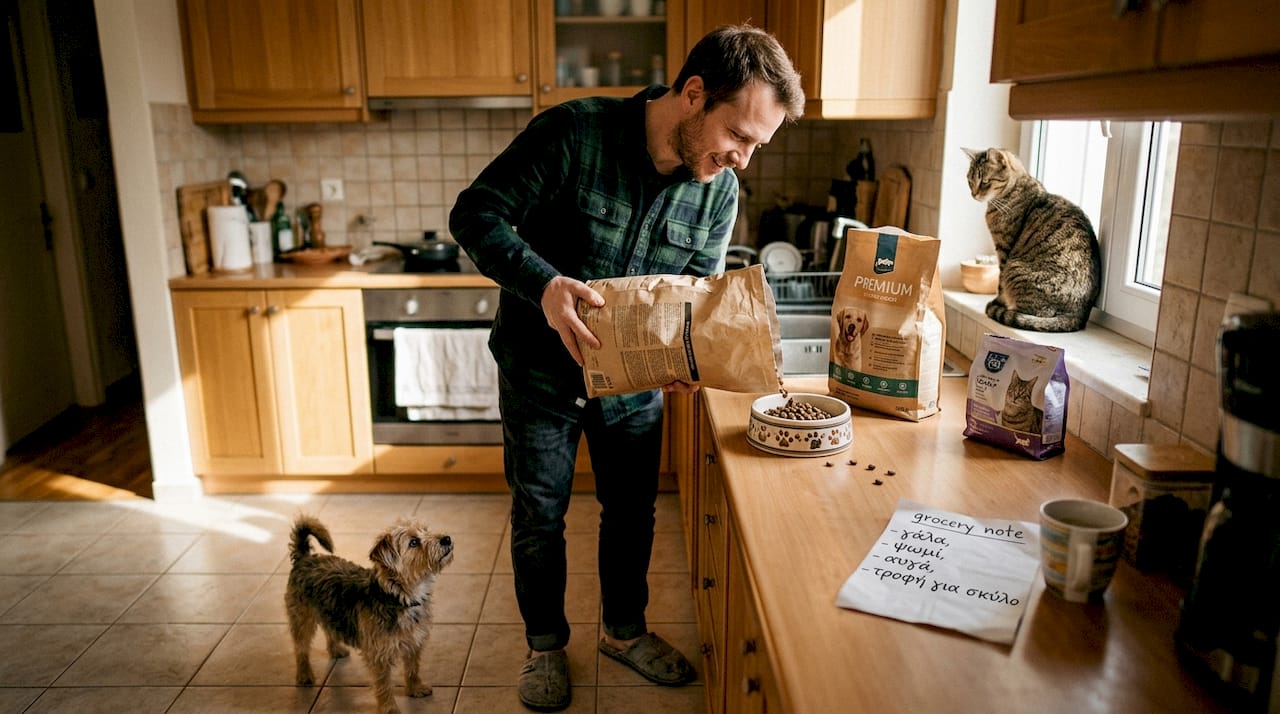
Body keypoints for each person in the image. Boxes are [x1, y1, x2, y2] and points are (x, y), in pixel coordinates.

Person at [448, 24, 804, 712]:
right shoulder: (573, 134)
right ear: (694, 94)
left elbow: (698, 288)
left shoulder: (717, 189)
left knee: (633, 512)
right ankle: (545, 646)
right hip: (539, 373)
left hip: (632, 386)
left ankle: (623, 632)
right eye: (740, 135)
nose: (744, 160)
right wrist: (545, 285)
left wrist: (688, 354)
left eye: (758, 145)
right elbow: (476, 214)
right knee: (539, 514)